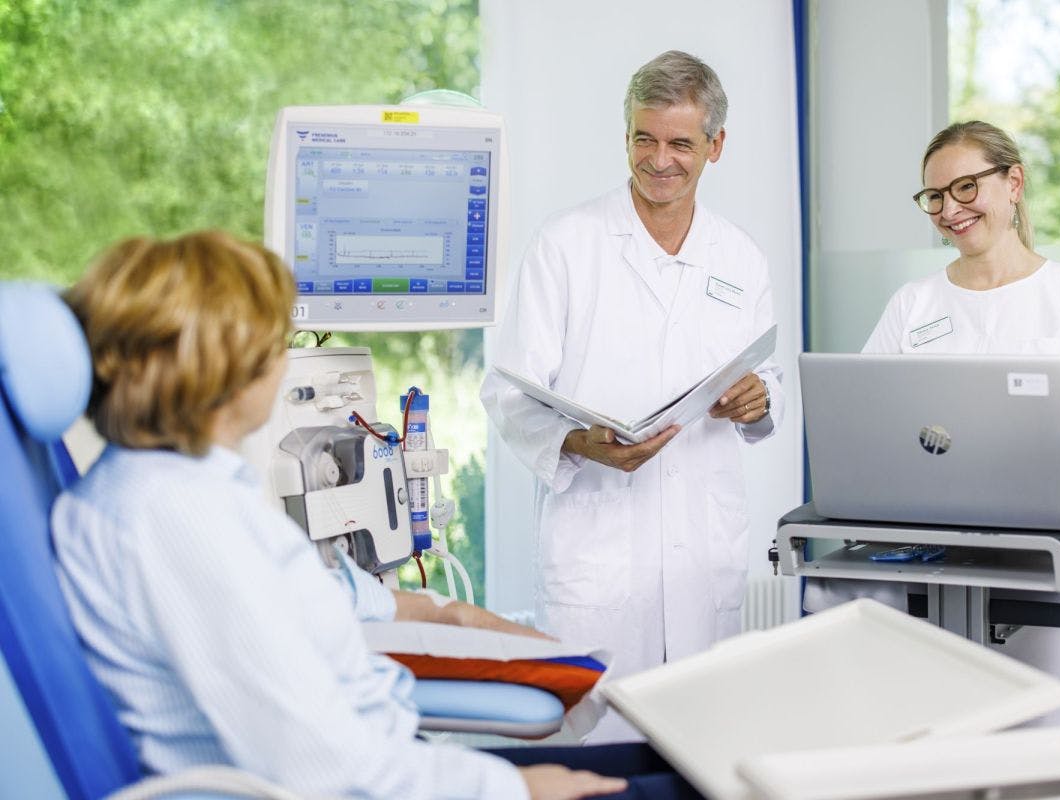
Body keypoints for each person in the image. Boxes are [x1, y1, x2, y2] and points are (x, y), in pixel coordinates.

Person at [53, 230, 703, 799]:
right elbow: (318, 765)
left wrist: (468, 627)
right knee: (707, 785)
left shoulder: (176, 490)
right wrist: (515, 787)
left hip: (386, 763)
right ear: (224, 367)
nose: (284, 360)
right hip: (367, 781)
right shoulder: (176, 519)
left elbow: (334, 630)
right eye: (274, 340)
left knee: (684, 763)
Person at [804, 120, 1060, 726]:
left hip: (1044, 556)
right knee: (932, 740)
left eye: (966, 187)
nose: (950, 209)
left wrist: (1031, 493)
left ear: (1013, 183)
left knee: (1032, 743)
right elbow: (862, 421)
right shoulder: (912, 304)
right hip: (930, 556)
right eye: (935, 196)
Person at [480, 50, 784, 743]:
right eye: (643, 138)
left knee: (703, 743)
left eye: (680, 142)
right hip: (599, 546)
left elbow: (768, 383)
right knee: (594, 745)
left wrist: (757, 402)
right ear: (625, 137)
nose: (659, 159)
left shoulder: (739, 256)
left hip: (701, 546)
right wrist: (577, 443)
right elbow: (508, 390)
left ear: (716, 145)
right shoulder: (567, 243)